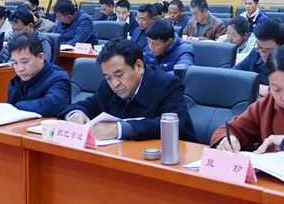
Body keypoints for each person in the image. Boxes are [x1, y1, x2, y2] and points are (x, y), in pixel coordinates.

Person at [59, 39, 196, 142]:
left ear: (139, 66)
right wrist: (76, 114)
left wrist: (119, 129)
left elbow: (172, 124)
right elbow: (88, 105)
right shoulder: (108, 86)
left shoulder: (167, 85)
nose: (115, 83)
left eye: (119, 75)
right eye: (108, 77)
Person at [7, 31, 70, 117]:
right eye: (15, 63)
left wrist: (17, 106)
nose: (20, 68)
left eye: (24, 62)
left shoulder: (58, 78)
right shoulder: (17, 81)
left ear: (40, 57)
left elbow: (52, 106)